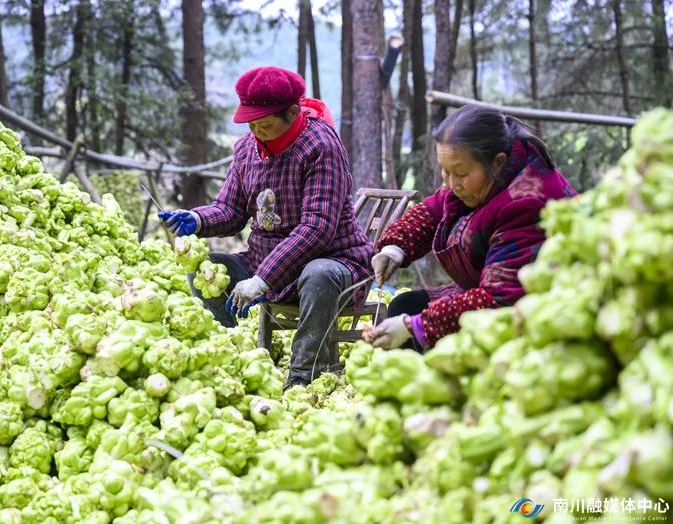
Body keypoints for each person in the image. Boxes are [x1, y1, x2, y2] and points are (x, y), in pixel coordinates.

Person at [158, 66, 374, 389]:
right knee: (207, 272)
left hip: (332, 262)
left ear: (292, 112)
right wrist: (198, 219)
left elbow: (316, 229)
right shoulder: (247, 149)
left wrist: (262, 279)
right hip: (264, 264)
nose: (257, 132)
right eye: (252, 124)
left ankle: (303, 378)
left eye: (266, 124)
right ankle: (237, 356)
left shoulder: (320, 146)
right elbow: (230, 210)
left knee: (318, 274)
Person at [364, 105, 576, 350]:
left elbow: (499, 299)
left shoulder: (525, 202)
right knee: (406, 305)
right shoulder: (481, 181)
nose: (452, 184)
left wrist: (416, 327)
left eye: (461, 173)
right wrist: (395, 247)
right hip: (493, 293)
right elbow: (436, 208)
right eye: (445, 171)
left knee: (411, 324)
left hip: (532, 311)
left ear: (497, 163)